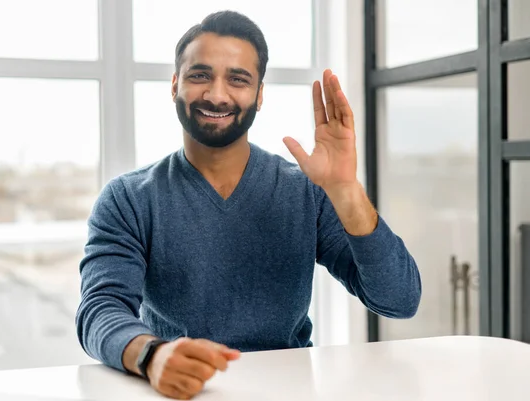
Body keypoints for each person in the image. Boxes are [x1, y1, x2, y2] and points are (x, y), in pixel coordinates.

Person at [76, 10, 422, 400]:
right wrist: (152, 355)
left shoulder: (305, 191)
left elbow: (399, 300)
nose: (217, 94)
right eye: (199, 75)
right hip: (180, 390)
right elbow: (99, 310)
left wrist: (345, 190)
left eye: (238, 79)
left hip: (289, 391)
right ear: (175, 85)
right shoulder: (128, 198)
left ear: (259, 96)